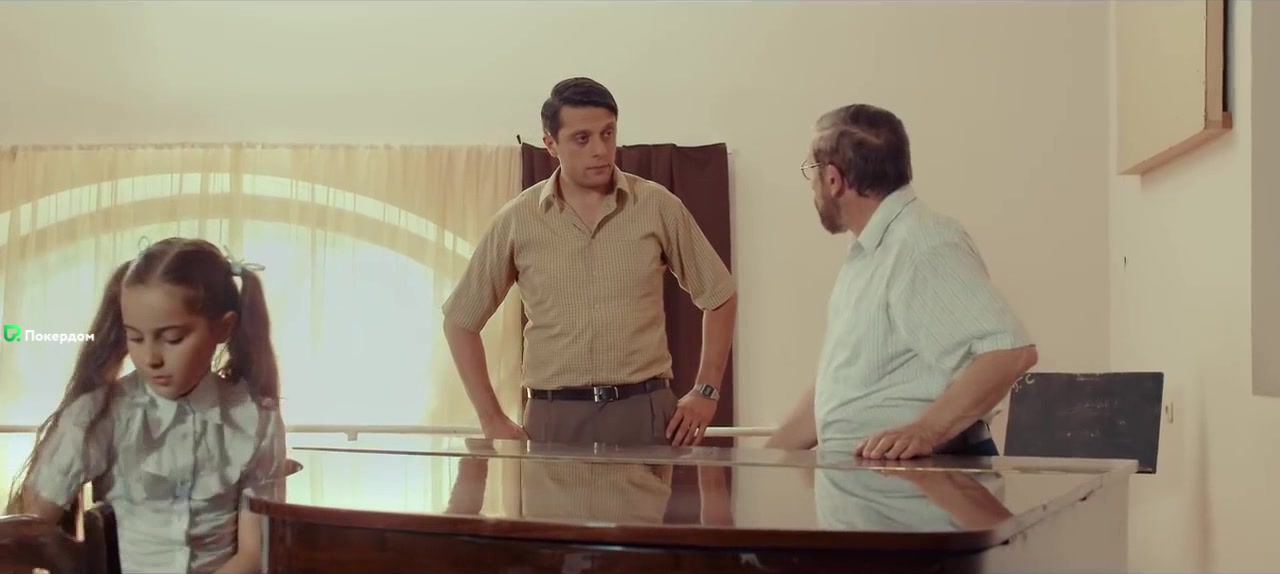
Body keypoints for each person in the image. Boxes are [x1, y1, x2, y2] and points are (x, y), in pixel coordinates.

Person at [443, 77, 736, 447]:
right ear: (551, 143)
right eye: (582, 138)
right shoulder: (517, 220)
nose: (600, 150)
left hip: (644, 413)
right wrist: (491, 419)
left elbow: (720, 295)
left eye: (607, 133)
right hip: (554, 417)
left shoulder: (658, 206)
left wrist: (706, 390)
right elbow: (460, 321)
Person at [766, 104, 1038, 459]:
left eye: (811, 172)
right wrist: (765, 459)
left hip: (925, 474)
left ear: (833, 180)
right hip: (870, 477)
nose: (812, 186)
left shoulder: (922, 244)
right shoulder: (870, 254)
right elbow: (844, 387)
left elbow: (1009, 353)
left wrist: (926, 431)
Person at [5, 237, 286, 574]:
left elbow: (254, 554)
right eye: (135, 337)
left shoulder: (254, 419)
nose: (151, 358)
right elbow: (22, 537)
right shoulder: (101, 414)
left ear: (223, 327)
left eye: (172, 338)